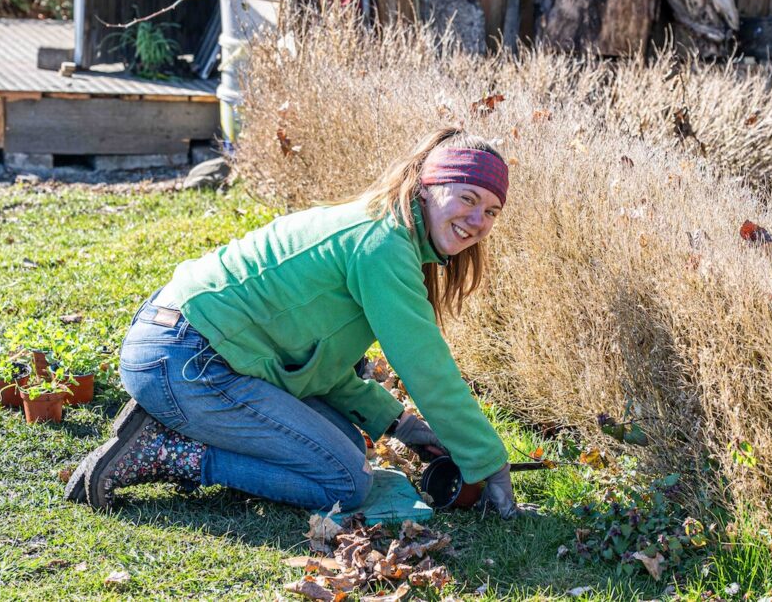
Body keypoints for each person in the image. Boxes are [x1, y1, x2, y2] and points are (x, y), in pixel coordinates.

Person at [65, 127, 521, 518]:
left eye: (492, 211)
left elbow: (314, 361)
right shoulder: (382, 244)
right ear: (427, 185)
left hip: (188, 347)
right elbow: (426, 366)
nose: (478, 220)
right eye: (467, 198)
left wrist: (400, 425)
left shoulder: (384, 231)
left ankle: (180, 425)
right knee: (344, 482)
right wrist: (487, 462)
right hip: (185, 358)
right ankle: (169, 451)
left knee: (343, 444)